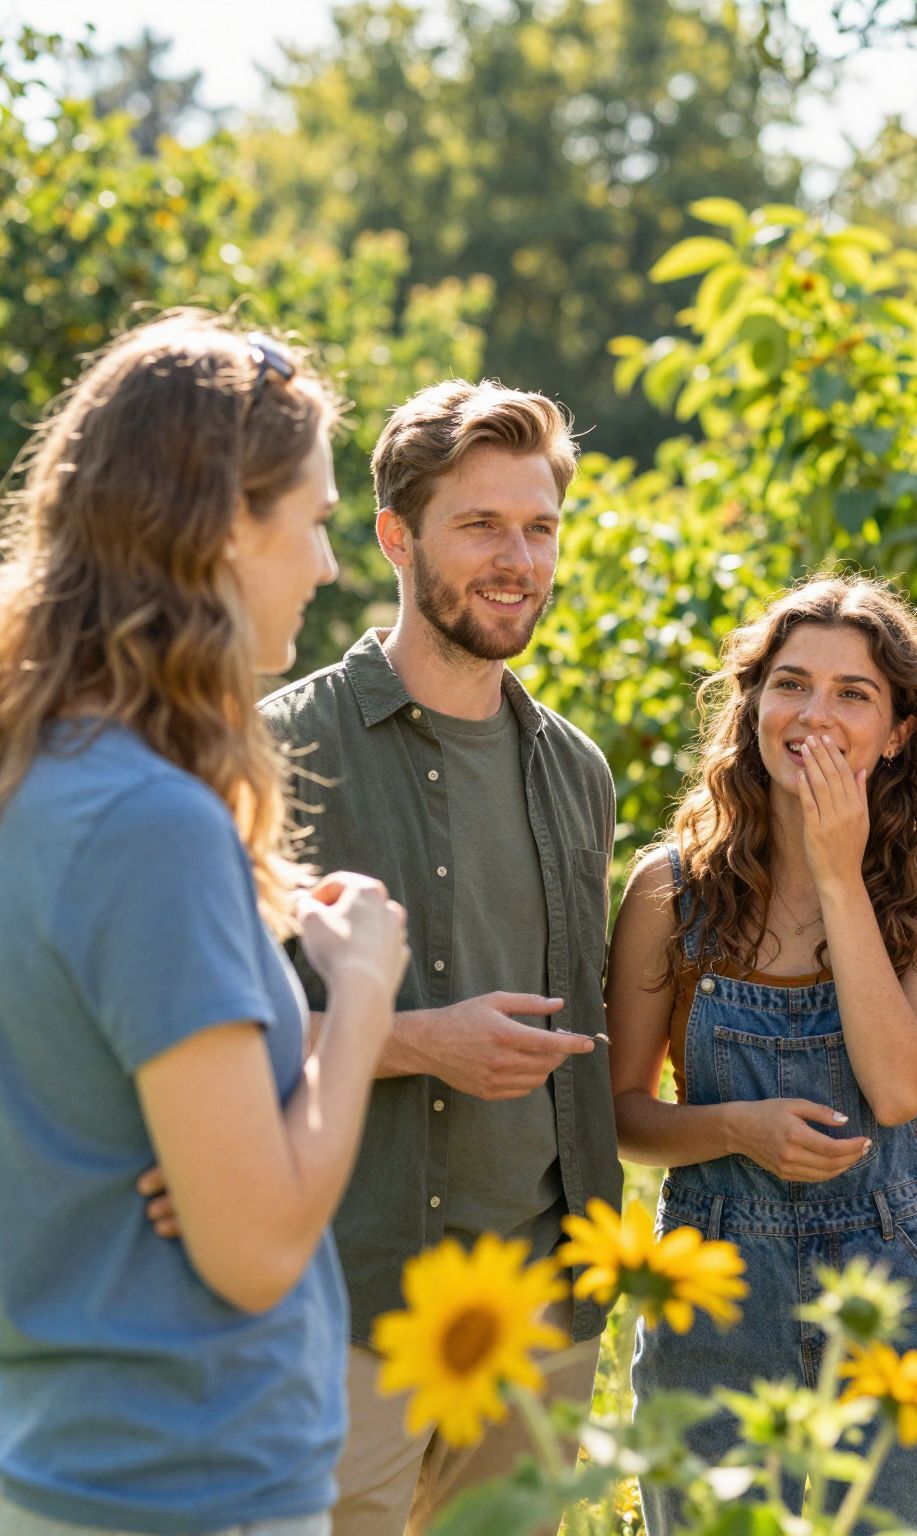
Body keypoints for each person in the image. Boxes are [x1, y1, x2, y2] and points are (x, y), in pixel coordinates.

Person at [0, 313, 408, 1533]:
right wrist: (364, 997)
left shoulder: (34, 774)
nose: (330, 566)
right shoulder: (149, 823)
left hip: (54, 1461)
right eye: (320, 518)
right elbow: (257, 1248)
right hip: (183, 1479)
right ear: (231, 519)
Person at [257, 380, 620, 1535]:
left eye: (539, 526)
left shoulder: (578, 772)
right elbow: (201, 1035)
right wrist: (421, 1042)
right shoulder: (276, 753)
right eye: (480, 526)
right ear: (395, 538)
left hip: (535, 1325)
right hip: (343, 1308)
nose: (517, 558)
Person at [608, 573, 917, 1536]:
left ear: (899, 728)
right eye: (790, 683)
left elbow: (900, 1089)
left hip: (893, 1286)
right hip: (714, 1282)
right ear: (753, 702)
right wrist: (736, 1129)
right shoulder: (670, 889)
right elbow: (619, 1115)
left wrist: (836, 871)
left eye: (853, 693)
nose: (814, 713)